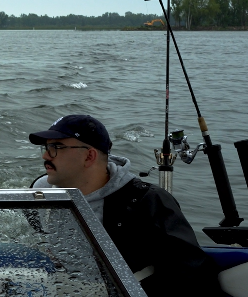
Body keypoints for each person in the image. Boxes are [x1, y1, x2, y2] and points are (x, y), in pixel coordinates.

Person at [29, 114, 220, 296]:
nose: (46, 156)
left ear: (89, 156)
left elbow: (191, 277)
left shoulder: (146, 201)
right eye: (45, 148)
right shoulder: (40, 191)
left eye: (56, 147)